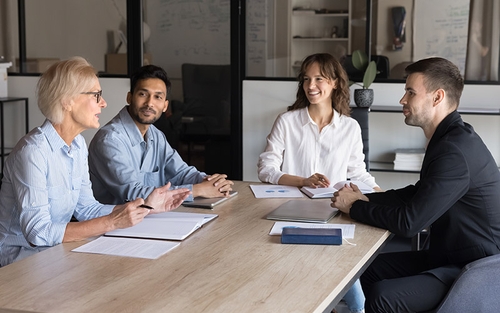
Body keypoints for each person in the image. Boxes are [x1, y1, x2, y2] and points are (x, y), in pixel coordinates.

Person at [331, 57, 500, 312]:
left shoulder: (453, 149)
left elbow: (410, 223)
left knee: (382, 296)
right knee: (367, 270)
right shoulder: (450, 138)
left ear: (437, 97)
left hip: (477, 269)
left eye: (410, 92)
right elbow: (419, 193)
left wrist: (354, 207)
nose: (402, 100)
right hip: (452, 255)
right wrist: (367, 198)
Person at [0, 57, 190, 267]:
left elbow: (87, 210)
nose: (104, 102)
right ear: (67, 100)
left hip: (53, 252)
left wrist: (146, 207)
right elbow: (38, 232)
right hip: (18, 260)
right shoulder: (32, 152)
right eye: (96, 95)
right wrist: (112, 222)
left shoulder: (79, 145)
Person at [258, 53, 381, 313]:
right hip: (291, 213)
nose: (311, 86)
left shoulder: (350, 127)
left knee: (357, 302)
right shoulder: (287, 121)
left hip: (334, 215)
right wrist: (303, 180)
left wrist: (382, 194)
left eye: (319, 79)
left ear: (335, 82)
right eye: (306, 79)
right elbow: (266, 169)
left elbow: (358, 173)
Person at [88, 64, 233, 205]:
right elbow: (133, 194)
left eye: (158, 97)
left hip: (150, 218)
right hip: (116, 226)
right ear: (129, 97)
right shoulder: (110, 140)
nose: (149, 103)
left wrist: (210, 182)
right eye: (143, 94)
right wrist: (196, 190)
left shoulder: (156, 135)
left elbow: (181, 173)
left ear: (165, 106)